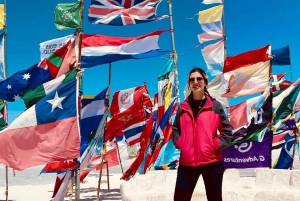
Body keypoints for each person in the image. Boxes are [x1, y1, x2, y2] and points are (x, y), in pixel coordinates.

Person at [172, 67, 233, 201]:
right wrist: (180, 143)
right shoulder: (182, 108)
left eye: (199, 78)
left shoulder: (215, 106)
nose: (195, 82)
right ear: (189, 83)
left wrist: (214, 145)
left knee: (214, 199)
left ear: (205, 81)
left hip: (212, 162)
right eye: (192, 79)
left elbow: (227, 132)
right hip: (186, 163)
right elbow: (175, 129)